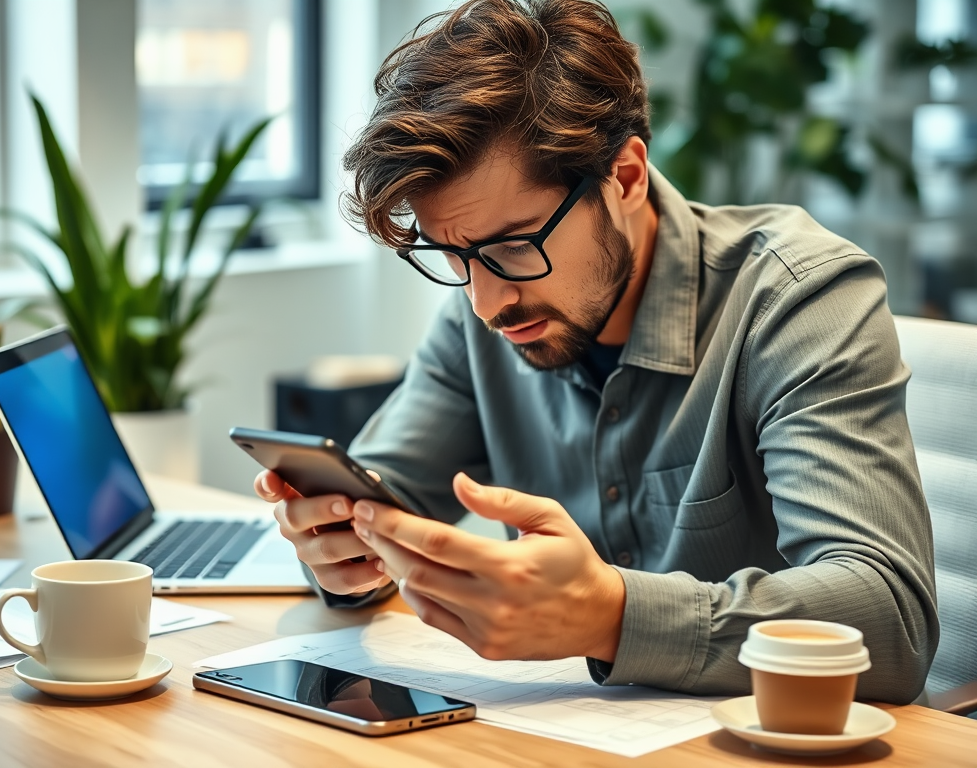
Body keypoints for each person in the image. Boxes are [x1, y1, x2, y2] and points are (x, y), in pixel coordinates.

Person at [255, 0, 937, 702]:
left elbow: (891, 617)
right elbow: (382, 490)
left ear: (628, 177)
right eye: (454, 255)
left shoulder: (799, 299)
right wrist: (339, 549)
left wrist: (612, 616)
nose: (486, 304)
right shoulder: (483, 313)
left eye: (514, 246)